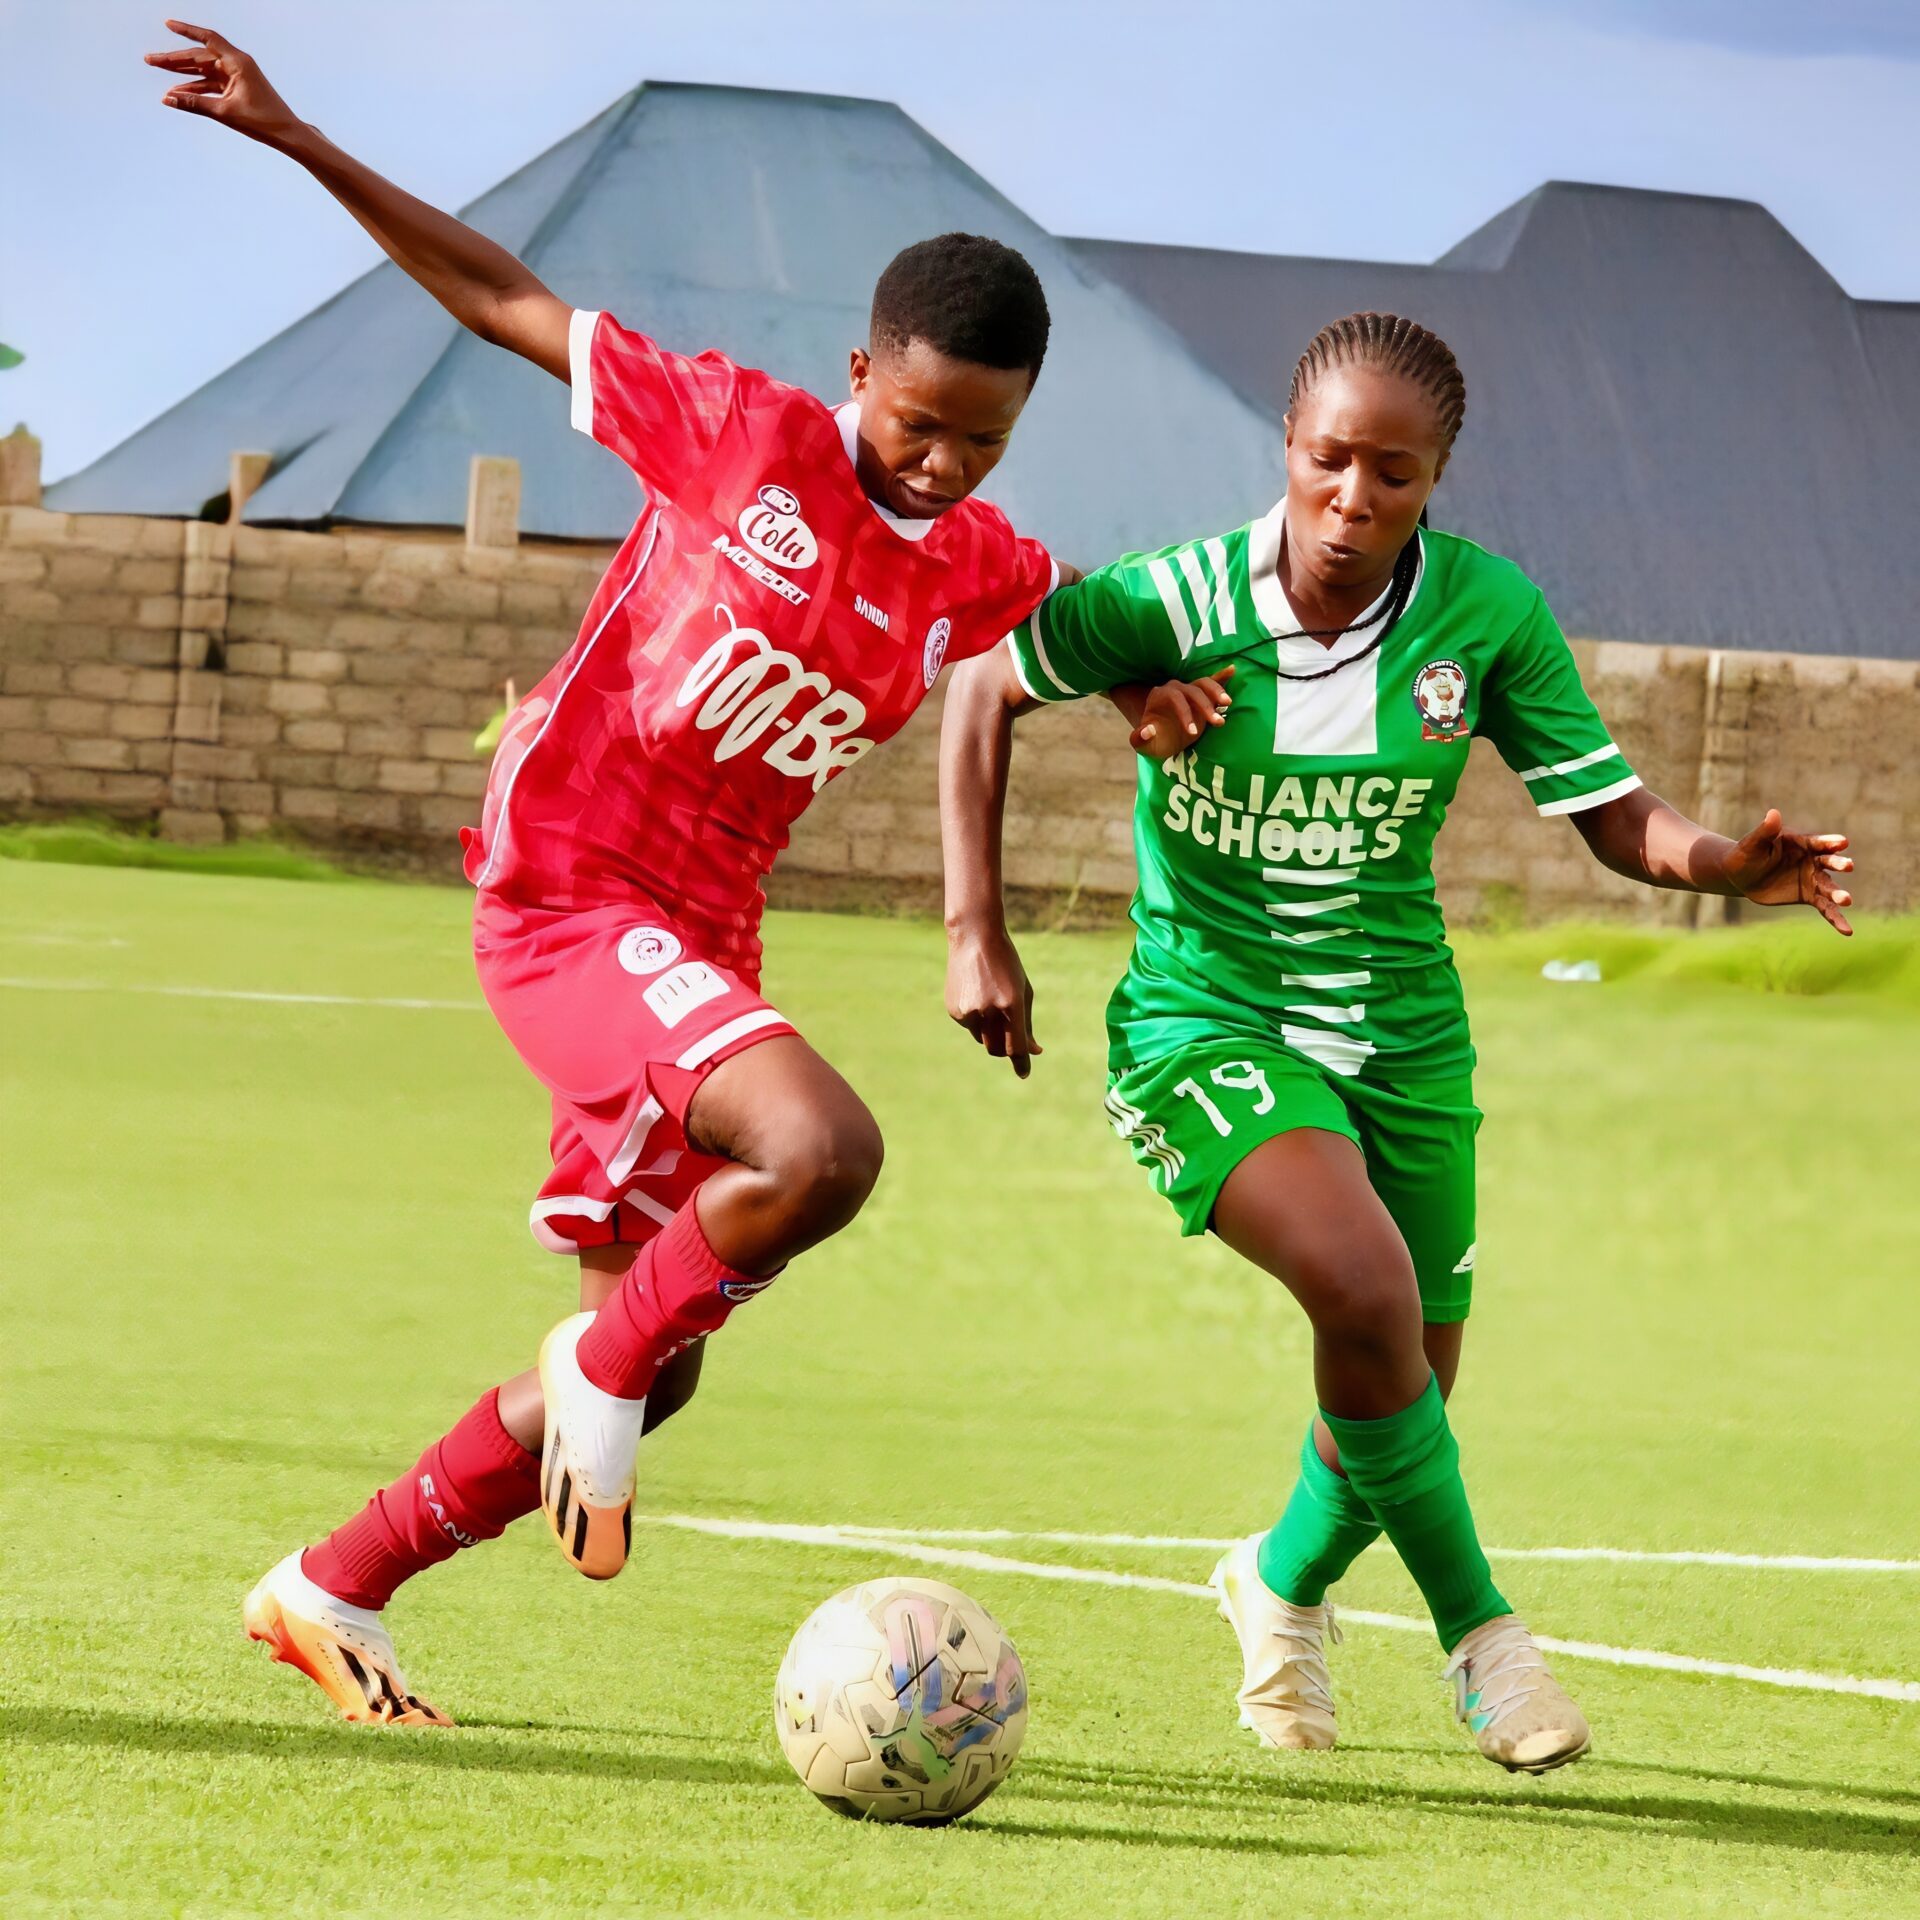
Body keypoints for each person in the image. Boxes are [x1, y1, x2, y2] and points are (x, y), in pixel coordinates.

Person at [148, 20, 1069, 1725]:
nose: (940, 467)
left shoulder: (974, 568)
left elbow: (1085, 622)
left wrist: (1167, 680)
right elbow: (500, 297)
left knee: (677, 1365)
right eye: (922, 423)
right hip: (569, 898)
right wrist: (299, 138)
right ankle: (602, 1365)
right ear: (864, 369)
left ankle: (330, 1583)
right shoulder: (741, 434)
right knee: (820, 1152)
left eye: (983, 445)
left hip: (694, 948)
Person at [939, 311, 1854, 1774]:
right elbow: (985, 684)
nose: (1353, 498)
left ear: (1438, 480)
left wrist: (1716, 868)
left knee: (1404, 1373)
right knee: (1362, 1288)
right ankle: (1488, 1647)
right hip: (1204, 1020)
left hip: (1405, 1037)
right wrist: (973, 928)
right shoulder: (1172, 597)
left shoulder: (1486, 616)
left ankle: (1278, 1588)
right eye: (1329, 460)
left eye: (1395, 473)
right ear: (1287, 450)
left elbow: (1610, 809)